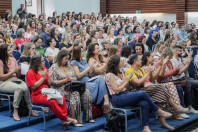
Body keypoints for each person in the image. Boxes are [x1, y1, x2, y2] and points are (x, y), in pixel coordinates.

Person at [105, 55, 172, 132]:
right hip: (117, 98)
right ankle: (158, 110)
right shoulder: (110, 75)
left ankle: (146, 127)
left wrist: (128, 81)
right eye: (120, 61)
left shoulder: (120, 72)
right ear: (116, 63)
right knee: (142, 93)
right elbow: (116, 91)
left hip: (125, 94)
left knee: (144, 103)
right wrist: (126, 80)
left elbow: (125, 87)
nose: (122, 62)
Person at [26, 54, 77, 128]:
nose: (44, 62)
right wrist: (43, 78)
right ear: (37, 62)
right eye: (42, 61)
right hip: (37, 95)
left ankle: (63, 121)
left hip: (47, 91)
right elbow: (33, 87)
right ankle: (65, 118)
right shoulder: (30, 72)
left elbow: (49, 83)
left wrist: (49, 76)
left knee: (61, 98)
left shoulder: (44, 69)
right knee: (52, 101)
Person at [49, 50, 94, 126]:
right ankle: (75, 119)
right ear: (60, 58)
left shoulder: (69, 66)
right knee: (75, 94)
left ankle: (88, 117)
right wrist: (65, 80)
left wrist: (72, 79)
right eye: (65, 58)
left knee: (86, 92)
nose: (67, 60)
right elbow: (52, 82)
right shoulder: (54, 67)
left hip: (71, 86)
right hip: (59, 88)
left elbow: (74, 77)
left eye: (68, 58)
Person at [0, 44, 38, 121]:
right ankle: (15, 111)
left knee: (26, 88)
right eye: (8, 50)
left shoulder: (13, 60)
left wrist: (19, 70)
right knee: (19, 89)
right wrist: (13, 71)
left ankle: (30, 109)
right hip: (4, 82)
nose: (11, 51)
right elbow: (1, 77)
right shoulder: (0, 61)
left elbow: (18, 75)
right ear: (3, 52)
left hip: (15, 79)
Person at [70, 46, 110, 114]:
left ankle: (106, 102)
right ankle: (105, 105)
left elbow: (89, 73)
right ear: (77, 53)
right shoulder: (74, 62)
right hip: (81, 82)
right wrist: (89, 67)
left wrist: (92, 67)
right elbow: (78, 75)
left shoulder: (84, 60)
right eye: (82, 51)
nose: (83, 52)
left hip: (88, 79)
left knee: (101, 78)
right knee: (100, 82)